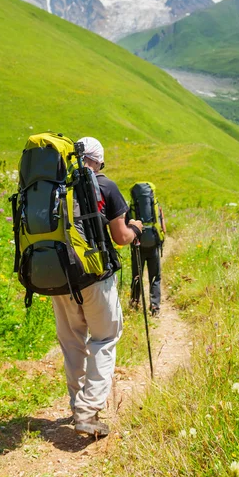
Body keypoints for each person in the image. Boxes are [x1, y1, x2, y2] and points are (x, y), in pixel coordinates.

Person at [51, 137, 143, 437]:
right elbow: (120, 237)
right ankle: (88, 412)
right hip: (95, 277)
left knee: (72, 342)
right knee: (104, 338)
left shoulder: (56, 187)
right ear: (99, 162)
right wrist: (137, 228)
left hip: (61, 278)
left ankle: (77, 404)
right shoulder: (106, 186)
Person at [129, 190, 166, 317]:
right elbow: (163, 227)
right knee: (155, 276)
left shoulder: (132, 207)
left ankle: (135, 303)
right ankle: (155, 306)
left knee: (136, 275)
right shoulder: (156, 205)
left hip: (137, 245)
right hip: (153, 244)